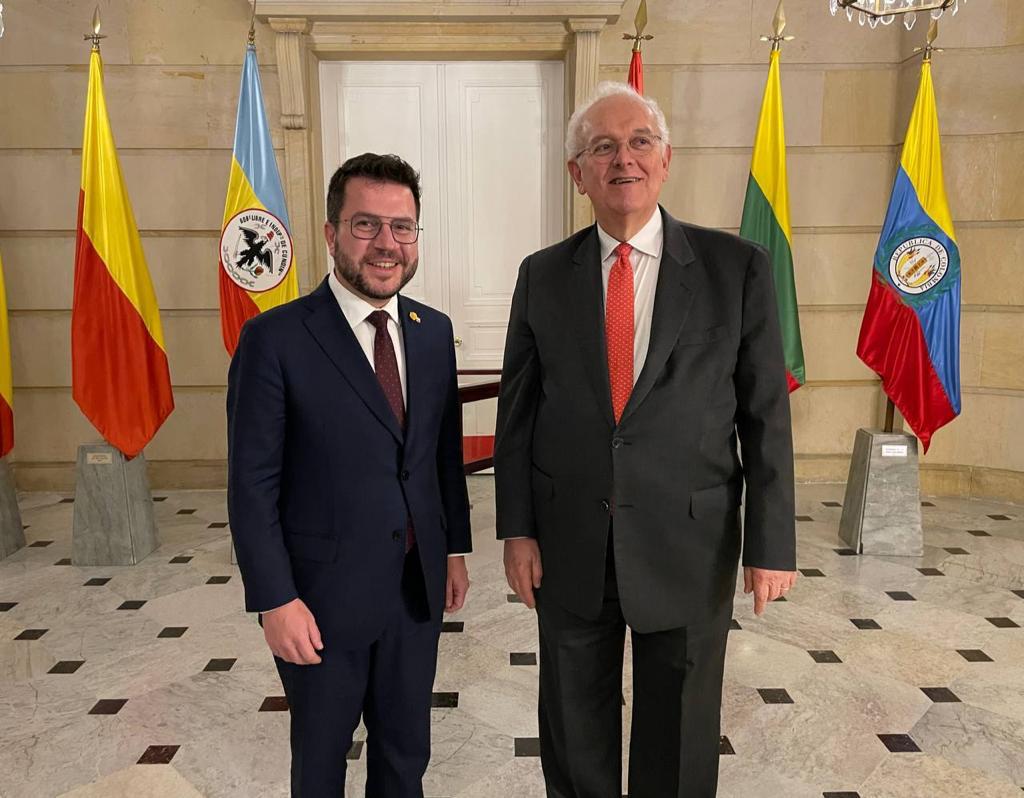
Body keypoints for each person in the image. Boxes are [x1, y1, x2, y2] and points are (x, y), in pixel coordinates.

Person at [494, 82, 797, 798]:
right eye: (602, 146)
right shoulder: (540, 276)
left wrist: (771, 545)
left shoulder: (737, 268)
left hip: (690, 544)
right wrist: (516, 531)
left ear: (666, 161)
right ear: (578, 173)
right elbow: (518, 417)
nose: (622, 159)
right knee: (573, 727)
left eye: (638, 143)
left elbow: (764, 415)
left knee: (682, 732)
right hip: (570, 543)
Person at [227, 152, 472, 798]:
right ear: (332, 234)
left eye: (403, 227)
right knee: (321, 766)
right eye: (367, 226)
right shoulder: (274, 340)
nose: (387, 244)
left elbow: (441, 454)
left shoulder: (432, 331)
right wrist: (274, 599)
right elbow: (251, 486)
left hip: (413, 595)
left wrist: (453, 550)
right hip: (319, 604)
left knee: (403, 757)